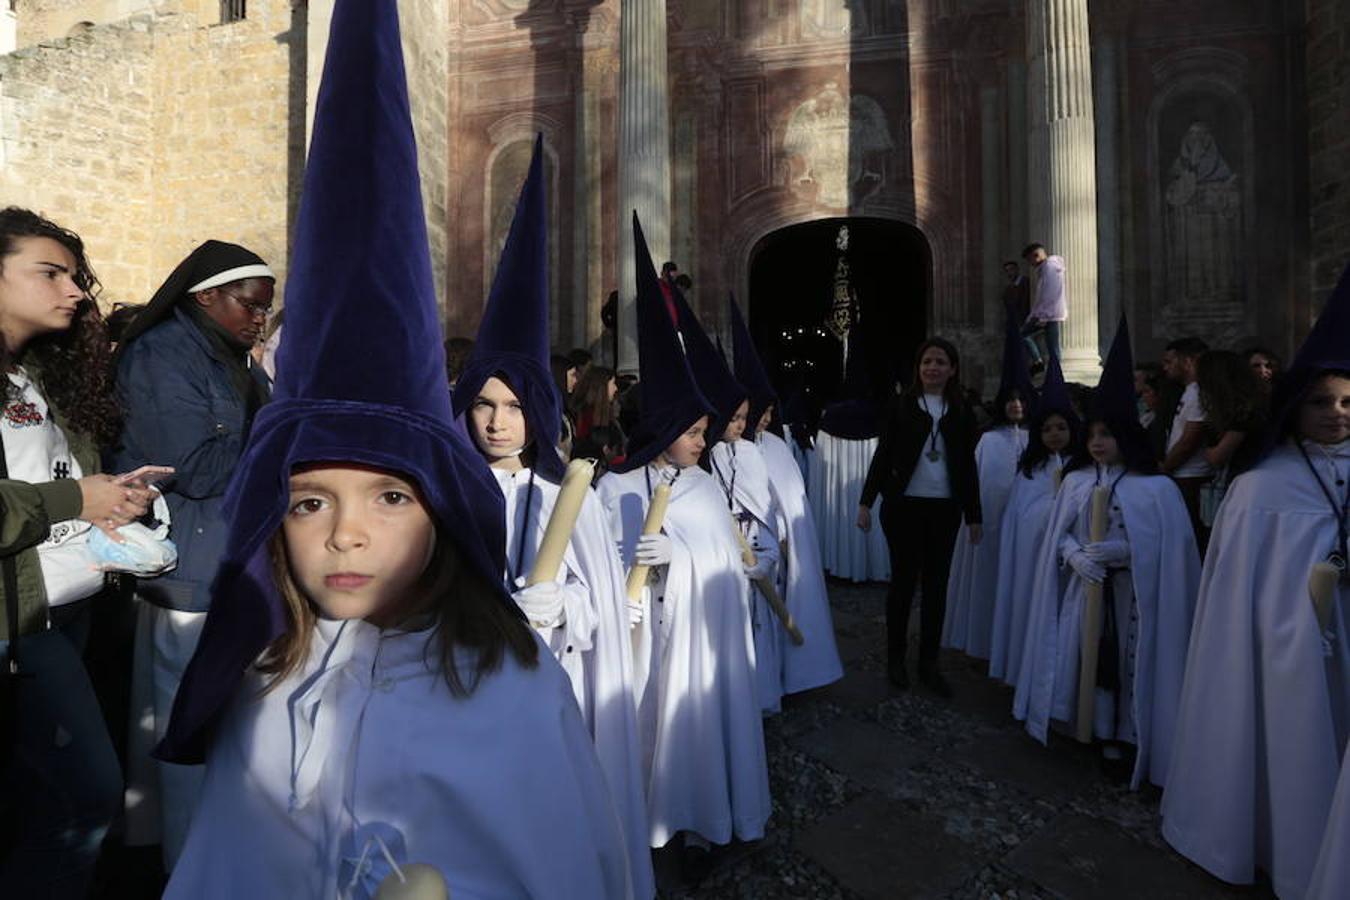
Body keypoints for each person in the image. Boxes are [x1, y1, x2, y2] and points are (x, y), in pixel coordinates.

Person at [157, 4, 633, 894]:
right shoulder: (265, 690)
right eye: (309, 501)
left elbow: (564, 860)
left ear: (441, 512)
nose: (344, 534)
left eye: (390, 497)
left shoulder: (512, 697)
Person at [451, 138, 652, 900]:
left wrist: (565, 606)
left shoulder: (578, 495)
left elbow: (603, 613)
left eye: (512, 407)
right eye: (483, 405)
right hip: (465, 686)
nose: (498, 423)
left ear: (539, 413)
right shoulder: (445, 495)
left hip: (551, 679)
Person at [1161, 264, 1350, 900]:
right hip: (1284, 656)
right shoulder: (1262, 488)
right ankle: (1282, 844)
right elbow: (1240, 599)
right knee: (1295, 751)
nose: (1336, 414)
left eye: (1348, 402)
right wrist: (1292, 630)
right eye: (1322, 402)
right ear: (1296, 408)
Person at [596, 217, 770, 883]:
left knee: (692, 733)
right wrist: (623, 589)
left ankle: (698, 821)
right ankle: (636, 821)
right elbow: (601, 561)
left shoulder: (701, 490)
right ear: (664, 429)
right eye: (693, 431)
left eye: (706, 430)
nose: (704, 442)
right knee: (636, 733)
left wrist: (683, 562)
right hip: (641, 643)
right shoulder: (616, 490)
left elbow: (725, 565)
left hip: (692, 644)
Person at [0, 207, 154, 897]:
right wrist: (75, 504)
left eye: (74, 275)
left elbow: (56, 480)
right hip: (19, 627)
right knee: (89, 794)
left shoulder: (35, 375)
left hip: (64, 610)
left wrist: (111, 502)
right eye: (50, 272)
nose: (75, 290)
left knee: (39, 799)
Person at [112, 236, 276, 868]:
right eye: (251, 305)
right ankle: (190, 869)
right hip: (189, 568)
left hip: (226, 561)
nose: (260, 319)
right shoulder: (161, 356)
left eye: (266, 308)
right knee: (186, 731)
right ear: (206, 296)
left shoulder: (234, 359)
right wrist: (278, 440)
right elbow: (197, 469)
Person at [1014, 315, 1200, 786]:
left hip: (1131, 595)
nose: (1098, 443)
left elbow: (1170, 549)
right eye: (1093, 435)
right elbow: (1058, 531)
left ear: (1128, 437)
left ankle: (1127, 731)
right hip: (1085, 589)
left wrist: (1124, 550)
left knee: (1126, 662)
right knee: (1088, 654)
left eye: (1108, 435)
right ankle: (1089, 725)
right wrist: (1074, 553)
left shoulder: (1155, 489)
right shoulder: (1076, 482)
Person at [728, 294, 842, 697]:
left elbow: (792, 503)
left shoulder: (775, 448)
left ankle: (790, 676)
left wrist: (785, 543)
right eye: (758, 411)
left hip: (779, 553)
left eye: (768, 412)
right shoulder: (726, 453)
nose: (765, 418)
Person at [858, 337, 981, 696]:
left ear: (952, 369)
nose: (933, 368)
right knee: (902, 584)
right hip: (904, 507)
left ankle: (929, 662)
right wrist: (866, 502)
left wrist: (974, 515)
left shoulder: (961, 411)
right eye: (927, 361)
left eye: (941, 362)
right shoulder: (902, 405)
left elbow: (966, 466)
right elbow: (883, 456)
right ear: (918, 367)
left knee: (937, 587)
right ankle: (895, 656)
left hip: (944, 508)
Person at [944, 315, 1032, 661]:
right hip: (990, 527)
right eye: (1010, 400)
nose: (1016, 406)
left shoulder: (1038, 442)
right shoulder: (989, 443)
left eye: (1021, 399)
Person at [989, 356, 1079, 687]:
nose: (1054, 435)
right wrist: (1052, 513)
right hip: (1038, 562)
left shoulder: (1083, 469)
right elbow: (1021, 519)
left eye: (1061, 427)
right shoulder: (1030, 473)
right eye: (1046, 429)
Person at [1193, 349, 1266, 528]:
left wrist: (1209, 449)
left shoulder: (1244, 413)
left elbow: (1217, 456)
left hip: (1247, 486)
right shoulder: (1249, 407)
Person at [1159, 336, 1212, 546]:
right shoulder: (1189, 391)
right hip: (1181, 474)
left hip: (1191, 476)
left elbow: (1190, 439)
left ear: (1188, 361)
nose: (1165, 368)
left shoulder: (1200, 393)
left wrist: (1166, 466)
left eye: (1170, 361)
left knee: (1191, 537)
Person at [1020, 243, 1067, 371]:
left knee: (1024, 335)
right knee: (1052, 347)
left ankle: (1041, 364)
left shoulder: (1050, 267)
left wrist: (1043, 316)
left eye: (1030, 260)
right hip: (1047, 314)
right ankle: (1046, 367)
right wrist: (1031, 316)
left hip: (1048, 315)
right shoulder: (1046, 268)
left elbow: (1050, 293)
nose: (1030, 264)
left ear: (1036, 255)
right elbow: (1041, 297)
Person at [1001, 259, 1030, 326]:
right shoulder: (1008, 288)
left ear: (1017, 270)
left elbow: (1025, 302)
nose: (1009, 273)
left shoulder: (1025, 282)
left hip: (1023, 320)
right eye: (1007, 271)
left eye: (1011, 270)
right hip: (1013, 321)